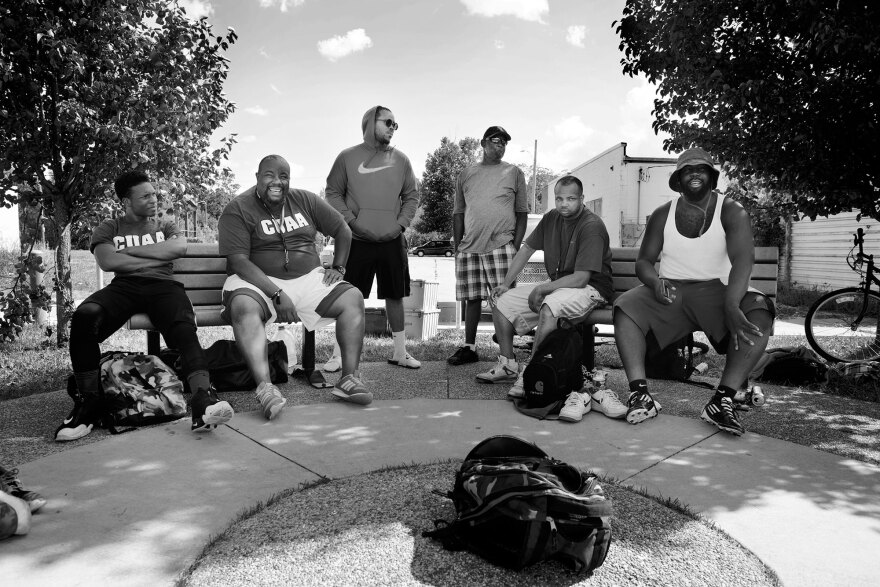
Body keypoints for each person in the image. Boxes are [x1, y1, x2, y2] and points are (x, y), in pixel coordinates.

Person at [55, 171, 234, 441]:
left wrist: (126, 253)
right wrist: (153, 256)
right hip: (124, 288)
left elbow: (177, 249)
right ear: (126, 202)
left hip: (163, 288)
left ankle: (203, 399)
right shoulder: (110, 227)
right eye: (146, 195)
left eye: (155, 194)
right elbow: (108, 261)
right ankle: (88, 404)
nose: (154, 200)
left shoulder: (164, 223)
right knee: (84, 318)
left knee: (184, 331)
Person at [613, 147, 774, 435]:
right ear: (679, 178)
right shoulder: (663, 214)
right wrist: (654, 282)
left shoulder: (731, 210)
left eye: (701, 169)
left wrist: (732, 304)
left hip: (719, 289)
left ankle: (722, 400)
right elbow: (644, 262)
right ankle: (640, 394)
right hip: (672, 290)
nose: (695, 173)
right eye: (688, 169)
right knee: (626, 307)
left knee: (759, 313)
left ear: (712, 177)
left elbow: (742, 261)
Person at [218, 155, 371, 416]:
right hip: (256, 281)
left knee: (353, 298)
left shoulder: (305, 200)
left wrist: (339, 267)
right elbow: (239, 262)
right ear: (257, 177)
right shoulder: (238, 208)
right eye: (269, 175)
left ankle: (349, 379)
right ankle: (266, 388)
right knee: (243, 307)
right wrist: (276, 292)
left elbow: (343, 230)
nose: (277, 182)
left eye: (283, 176)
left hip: (308, 278)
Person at [477, 176, 626, 421]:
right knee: (502, 302)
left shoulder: (591, 225)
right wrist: (505, 284)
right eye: (559, 198)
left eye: (571, 199)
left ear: (581, 199)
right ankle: (508, 364)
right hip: (560, 288)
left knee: (549, 307)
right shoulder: (551, 218)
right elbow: (526, 249)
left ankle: (531, 374)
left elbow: (580, 279)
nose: (564, 204)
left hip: (590, 289)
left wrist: (543, 288)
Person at [324, 105, 421, 371]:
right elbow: (332, 193)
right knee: (349, 297)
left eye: (395, 124)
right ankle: (338, 355)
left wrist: (400, 225)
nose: (392, 127)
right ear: (370, 123)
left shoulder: (401, 160)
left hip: (392, 239)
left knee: (395, 296)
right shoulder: (347, 157)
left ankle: (400, 352)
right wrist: (351, 222)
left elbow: (411, 196)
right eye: (387, 122)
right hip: (356, 240)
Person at [447, 125, 529, 366]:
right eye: (495, 140)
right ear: (482, 143)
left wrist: (513, 246)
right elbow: (458, 213)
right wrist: (458, 248)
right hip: (469, 247)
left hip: (502, 245)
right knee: (471, 299)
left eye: (504, 142)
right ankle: (469, 348)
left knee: (502, 299)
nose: (500, 145)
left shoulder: (514, 173)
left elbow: (522, 213)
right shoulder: (466, 174)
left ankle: (506, 352)